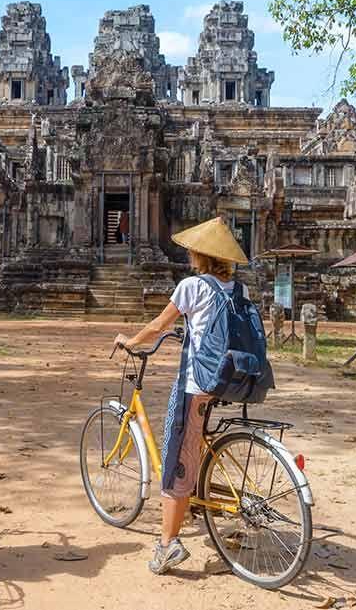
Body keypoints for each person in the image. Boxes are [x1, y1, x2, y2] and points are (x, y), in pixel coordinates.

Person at [113, 216, 249, 575]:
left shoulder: (192, 287)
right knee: (196, 441)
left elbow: (160, 324)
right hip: (231, 378)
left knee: (177, 460)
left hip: (198, 381)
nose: (188, 254)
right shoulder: (239, 289)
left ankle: (167, 545)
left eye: (192, 250)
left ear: (200, 255)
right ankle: (198, 494)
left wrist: (130, 341)